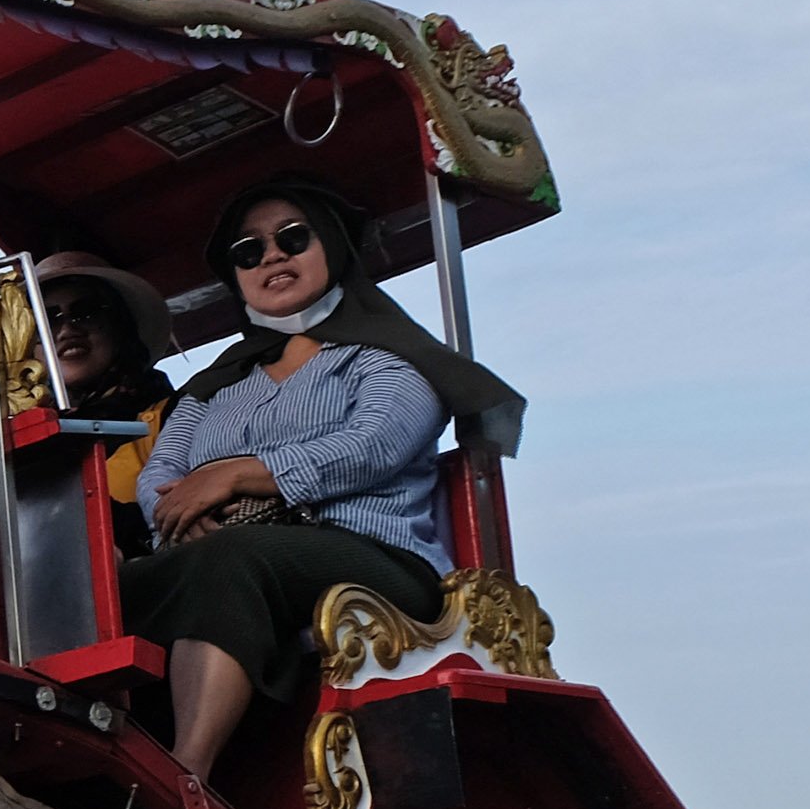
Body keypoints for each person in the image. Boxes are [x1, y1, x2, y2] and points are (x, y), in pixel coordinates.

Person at [121, 180, 524, 778]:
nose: (273, 257)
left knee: (231, 560)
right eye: (249, 250)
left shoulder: (388, 357)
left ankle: (187, 777)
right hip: (231, 550)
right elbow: (160, 473)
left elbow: (373, 447)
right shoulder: (215, 386)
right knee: (110, 592)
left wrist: (235, 477)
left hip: (374, 559)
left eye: (291, 238)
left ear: (331, 245)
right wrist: (187, 510)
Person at [30, 252, 175, 551]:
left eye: (87, 312)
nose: (68, 330)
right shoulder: (21, 445)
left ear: (120, 325)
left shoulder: (175, 417)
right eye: (47, 320)